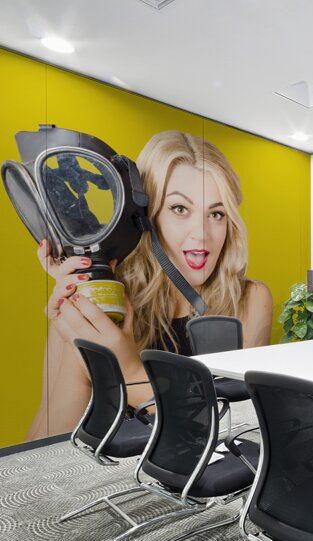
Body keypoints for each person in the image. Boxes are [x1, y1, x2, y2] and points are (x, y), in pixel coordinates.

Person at [26, 131, 273, 440]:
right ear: (143, 216)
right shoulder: (97, 303)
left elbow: (235, 437)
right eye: (180, 209)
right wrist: (80, 350)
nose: (202, 234)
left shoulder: (249, 302)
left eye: (217, 213)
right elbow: (41, 446)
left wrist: (128, 372)